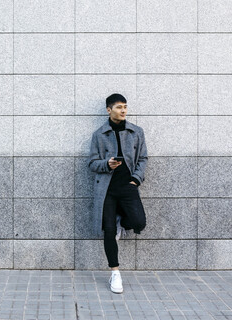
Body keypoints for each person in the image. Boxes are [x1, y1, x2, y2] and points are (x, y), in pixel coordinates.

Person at [88, 93, 148, 294]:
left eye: (125, 107)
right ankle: (115, 272)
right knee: (108, 230)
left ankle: (122, 222)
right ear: (109, 110)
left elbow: (143, 159)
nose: (123, 110)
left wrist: (135, 180)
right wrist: (107, 164)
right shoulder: (99, 134)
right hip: (106, 190)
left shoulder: (136, 132)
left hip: (128, 187)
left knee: (139, 222)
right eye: (119, 107)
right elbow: (92, 163)